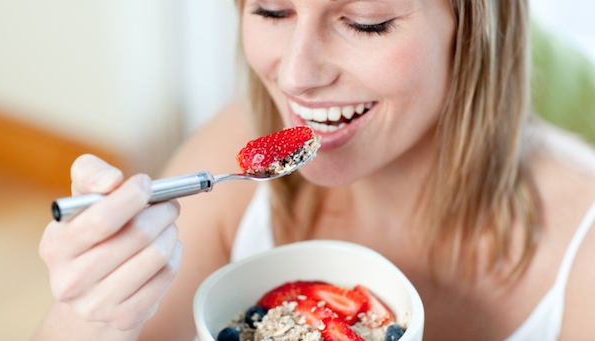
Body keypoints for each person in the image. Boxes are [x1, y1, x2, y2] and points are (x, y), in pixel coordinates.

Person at [34, 0, 595, 340]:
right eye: (272, 11)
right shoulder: (233, 148)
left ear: (472, 30)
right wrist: (93, 316)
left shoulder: (582, 254)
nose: (298, 77)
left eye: (365, 22)